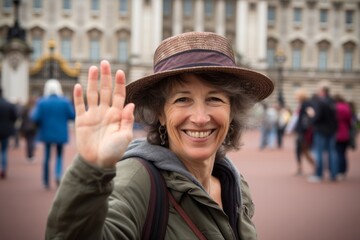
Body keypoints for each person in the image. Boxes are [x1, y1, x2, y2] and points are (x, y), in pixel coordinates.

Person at [45, 32, 274, 239]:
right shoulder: (137, 182)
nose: (200, 117)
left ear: (231, 110)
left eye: (214, 99)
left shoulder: (234, 183)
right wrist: (90, 169)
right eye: (182, 99)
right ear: (160, 113)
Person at [31, 79, 75, 189]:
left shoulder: (41, 102)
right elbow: (72, 115)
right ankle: (58, 174)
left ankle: (46, 181)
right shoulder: (65, 101)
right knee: (59, 156)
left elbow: (34, 117)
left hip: (46, 132)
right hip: (60, 133)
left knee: (46, 157)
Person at [308, 81, 338, 183]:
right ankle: (333, 174)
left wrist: (311, 115)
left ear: (321, 91)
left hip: (321, 130)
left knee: (319, 153)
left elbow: (317, 118)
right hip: (331, 130)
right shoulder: (332, 101)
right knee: (332, 152)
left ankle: (319, 174)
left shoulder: (320, 102)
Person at [293, 89, 315, 175]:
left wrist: (305, 126)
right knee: (300, 149)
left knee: (303, 150)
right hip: (302, 130)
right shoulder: (304, 104)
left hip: (303, 131)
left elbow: (311, 114)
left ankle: (314, 166)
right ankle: (300, 167)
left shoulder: (306, 104)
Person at [0, 88, 17, 179]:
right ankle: (3, 168)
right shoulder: (8, 104)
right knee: (3, 150)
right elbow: (14, 117)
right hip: (5, 130)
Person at [334, 94, 352, 180]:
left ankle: (339, 171)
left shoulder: (334, 107)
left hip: (337, 133)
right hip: (345, 132)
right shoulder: (346, 107)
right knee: (343, 153)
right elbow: (349, 121)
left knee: (338, 153)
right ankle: (344, 170)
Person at [20, 96, 38, 162]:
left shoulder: (25, 108)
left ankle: (29, 155)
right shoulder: (35, 108)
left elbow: (21, 116)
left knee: (28, 142)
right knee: (32, 141)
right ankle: (31, 155)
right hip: (33, 127)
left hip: (26, 127)